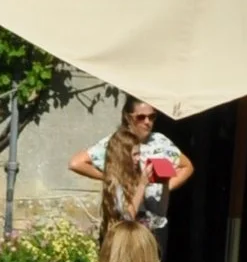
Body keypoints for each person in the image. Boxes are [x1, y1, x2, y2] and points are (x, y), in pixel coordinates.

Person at [69, 96, 192, 241]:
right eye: (141, 117)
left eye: (152, 117)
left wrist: (166, 186)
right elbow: (76, 163)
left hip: (155, 223)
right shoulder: (118, 142)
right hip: (128, 225)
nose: (148, 122)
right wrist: (112, 177)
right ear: (128, 117)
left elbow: (187, 166)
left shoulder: (160, 141)